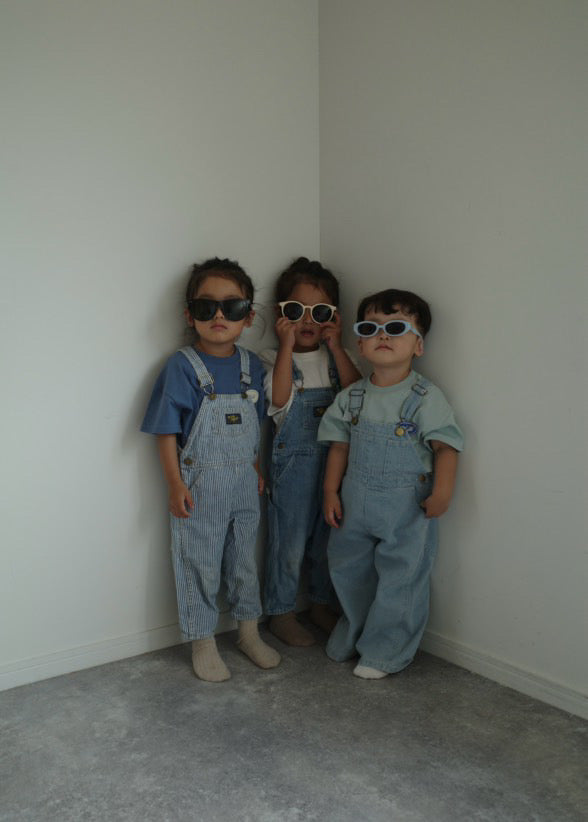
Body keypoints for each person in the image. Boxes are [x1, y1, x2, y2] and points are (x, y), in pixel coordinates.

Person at [141, 258, 280, 682]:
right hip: (200, 485)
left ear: (248, 316)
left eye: (232, 306)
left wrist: (255, 466)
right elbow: (166, 432)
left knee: (244, 562)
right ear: (190, 315)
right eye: (206, 307)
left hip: (244, 483)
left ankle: (248, 632)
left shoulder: (252, 366)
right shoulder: (181, 367)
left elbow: (253, 426)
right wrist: (174, 483)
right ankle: (202, 641)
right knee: (198, 563)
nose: (219, 315)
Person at [318, 288, 463, 679]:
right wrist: (330, 491)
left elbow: (446, 447)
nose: (383, 335)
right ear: (360, 344)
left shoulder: (425, 397)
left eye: (396, 328)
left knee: (402, 577)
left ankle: (384, 650)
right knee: (348, 569)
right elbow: (339, 447)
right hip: (353, 503)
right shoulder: (352, 397)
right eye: (370, 328)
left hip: (407, 508)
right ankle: (354, 632)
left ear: (418, 345)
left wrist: (443, 491)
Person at [259, 257, 361, 646]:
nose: (307, 320)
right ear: (280, 314)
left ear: (333, 316)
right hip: (294, 468)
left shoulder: (340, 358)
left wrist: (336, 346)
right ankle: (281, 611)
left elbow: (357, 397)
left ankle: (319, 603)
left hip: (337, 465)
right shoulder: (272, 359)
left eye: (319, 312)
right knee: (289, 542)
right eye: (295, 310)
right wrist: (286, 346)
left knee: (327, 540)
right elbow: (279, 399)